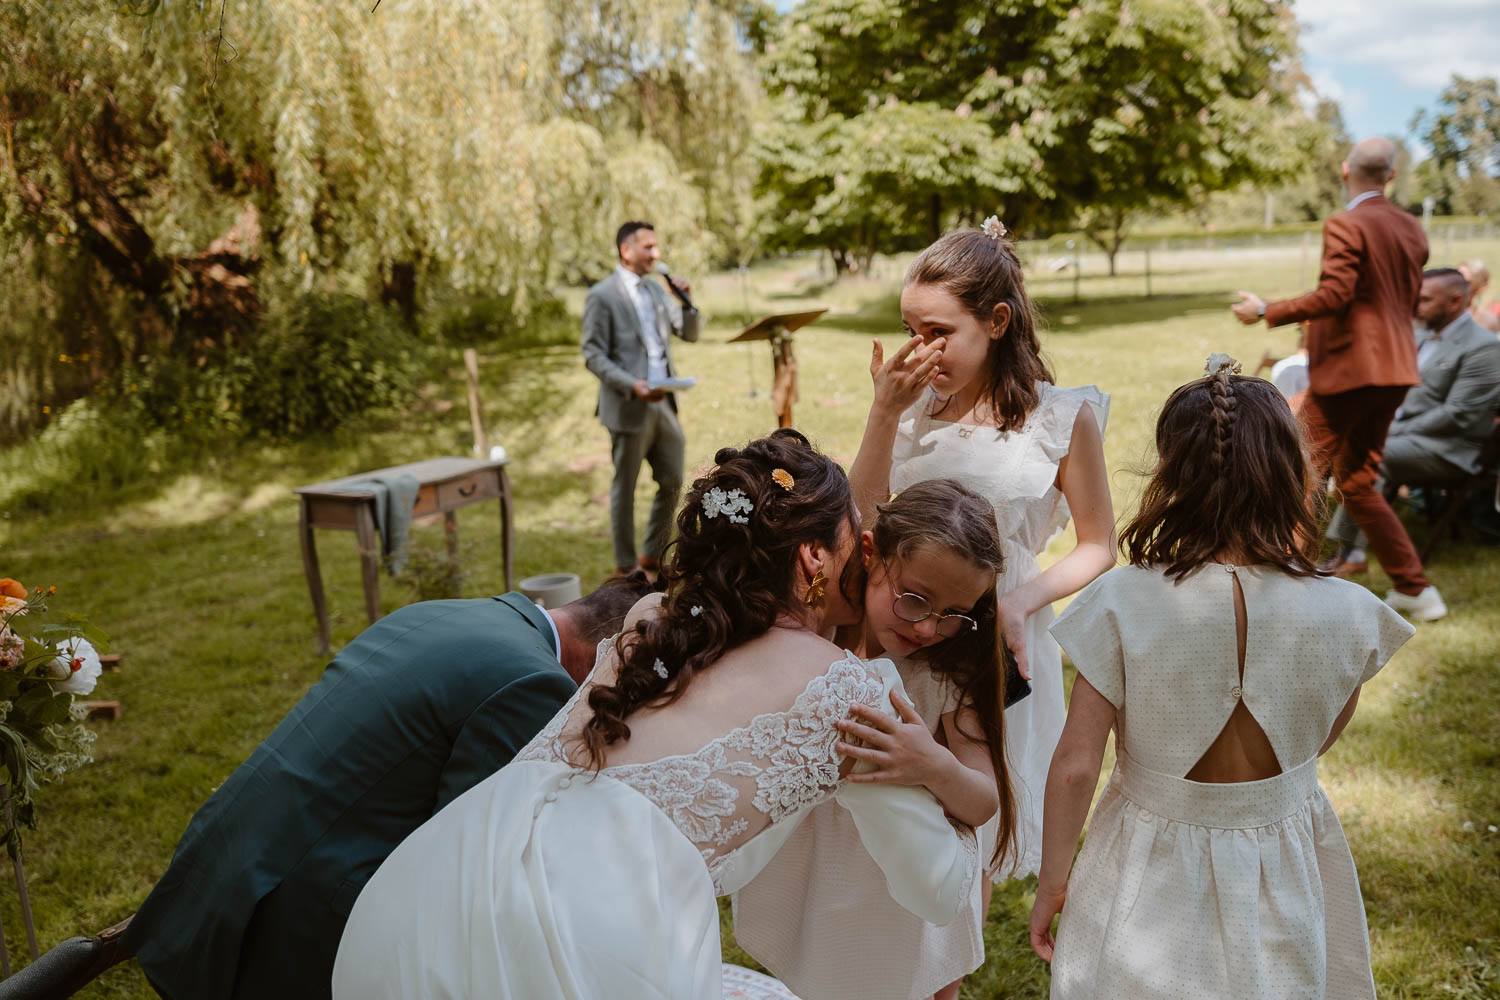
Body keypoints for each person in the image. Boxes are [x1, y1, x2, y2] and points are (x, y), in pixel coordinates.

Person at [332, 431, 979, 999]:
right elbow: (938, 889)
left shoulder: (651, 619)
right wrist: (940, 773)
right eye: (851, 540)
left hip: (435, 882)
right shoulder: (847, 692)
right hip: (580, 942)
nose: (865, 554)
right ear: (813, 558)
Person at [11, 577, 653, 1000]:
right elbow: (465, 867)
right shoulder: (531, 683)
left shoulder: (449, 613)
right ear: (608, 653)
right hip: (282, 931)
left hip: (217, 868)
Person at [1029, 357, 1414, 999]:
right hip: (1282, 854)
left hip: (1146, 859)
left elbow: (1075, 766)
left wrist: (1052, 883)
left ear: (1171, 477)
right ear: (1294, 474)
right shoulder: (1347, 612)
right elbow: (1319, 735)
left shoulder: (1122, 602)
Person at [849, 219, 1115, 891]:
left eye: (939, 331)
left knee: (973, 802)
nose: (921, 349)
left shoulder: (1061, 417)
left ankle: (957, 941)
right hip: (909, 620)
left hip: (997, 625)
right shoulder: (910, 407)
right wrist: (884, 413)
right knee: (900, 799)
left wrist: (1021, 603)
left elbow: (1099, 544)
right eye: (911, 329)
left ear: (996, 321)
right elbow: (861, 516)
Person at [733, 479, 1018, 1000]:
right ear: (870, 553)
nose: (928, 628)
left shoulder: (944, 673)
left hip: (895, 886)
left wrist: (932, 763)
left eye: (953, 615)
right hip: (816, 865)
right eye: (916, 599)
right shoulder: (813, 639)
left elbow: (983, 801)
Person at [1232, 137, 1443, 620]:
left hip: (1352, 370)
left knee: (1299, 469)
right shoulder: (1412, 227)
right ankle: (1416, 589)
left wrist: (1266, 309)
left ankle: (1283, 584)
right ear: (1391, 175)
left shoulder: (1346, 223)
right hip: (1396, 370)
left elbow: (1336, 294)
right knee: (1359, 482)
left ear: (1345, 169)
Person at [1323, 269, 1500, 582]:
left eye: (1425, 300)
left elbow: (1458, 415)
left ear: (1455, 301)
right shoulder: (1418, 333)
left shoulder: (1484, 347)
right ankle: (1289, 532)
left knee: (1365, 455)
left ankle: (1350, 554)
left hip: (1451, 446)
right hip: (1402, 432)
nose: (1415, 305)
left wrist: (1386, 432)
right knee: (1319, 435)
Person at [582, 220, 700, 578]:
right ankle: (625, 565)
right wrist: (632, 385)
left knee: (673, 479)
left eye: (656, 246)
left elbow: (688, 334)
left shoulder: (655, 291)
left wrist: (686, 301)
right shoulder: (602, 295)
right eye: (648, 247)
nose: (656, 254)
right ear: (626, 250)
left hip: (663, 402)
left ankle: (652, 552)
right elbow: (593, 354)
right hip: (628, 405)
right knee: (626, 486)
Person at [1458, 259, 1500, 333]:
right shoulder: (1440, 314)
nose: (1455, 286)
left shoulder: (1488, 322)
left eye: (1465, 283)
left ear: (1480, 288)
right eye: (1454, 279)